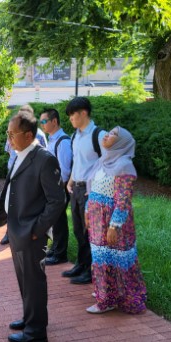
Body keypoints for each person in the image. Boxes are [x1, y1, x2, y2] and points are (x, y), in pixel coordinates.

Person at [0, 111, 65, 342]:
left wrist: (36, 229)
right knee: (24, 281)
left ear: (29, 135)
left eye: (12, 134)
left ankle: (36, 332)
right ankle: (31, 317)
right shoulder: (20, 153)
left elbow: (57, 200)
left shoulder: (44, 159)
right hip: (16, 229)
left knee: (34, 282)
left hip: (31, 233)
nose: (9, 139)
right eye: (8, 134)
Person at [85, 126, 147, 314]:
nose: (107, 136)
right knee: (101, 257)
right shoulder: (103, 161)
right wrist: (88, 212)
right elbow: (93, 190)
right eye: (109, 132)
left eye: (114, 135)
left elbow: (123, 200)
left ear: (122, 142)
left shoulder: (124, 165)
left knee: (118, 258)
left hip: (113, 222)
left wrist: (114, 226)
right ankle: (107, 293)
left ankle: (113, 298)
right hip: (97, 219)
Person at [63, 97, 106, 285]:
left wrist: (97, 188)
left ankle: (90, 271)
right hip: (76, 189)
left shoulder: (99, 135)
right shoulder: (75, 136)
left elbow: (108, 165)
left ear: (83, 113)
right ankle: (81, 265)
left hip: (92, 192)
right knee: (79, 230)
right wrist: (70, 182)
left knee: (91, 231)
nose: (70, 118)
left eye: (72, 114)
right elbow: (77, 163)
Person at [0, 105, 48, 246]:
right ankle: (10, 232)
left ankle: (28, 231)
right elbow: (9, 150)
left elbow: (43, 154)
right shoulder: (13, 131)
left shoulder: (38, 134)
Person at [40, 108, 73, 265]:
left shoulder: (63, 141)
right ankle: (55, 250)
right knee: (55, 220)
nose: (42, 124)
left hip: (60, 188)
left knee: (59, 221)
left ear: (54, 121)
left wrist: (57, 188)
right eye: (41, 121)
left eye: (44, 121)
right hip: (51, 188)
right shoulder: (52, 139)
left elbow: (65, 171)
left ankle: (61, 254)